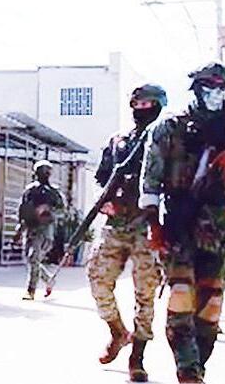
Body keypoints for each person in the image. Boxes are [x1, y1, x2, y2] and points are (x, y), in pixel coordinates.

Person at [140, 62, 225, 384]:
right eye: (208, 84)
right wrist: (154, 227)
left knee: (212, 302)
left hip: (217, 227)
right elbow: (150, 183)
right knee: (180, 294)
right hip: (178, 221)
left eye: (221, 85)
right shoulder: (169, 127)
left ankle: (198, 365)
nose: (215, 91)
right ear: (196, 87)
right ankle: (187, 370)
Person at [87, 84, 167, 382]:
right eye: (138, 104)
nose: (142, 109)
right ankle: (117, 332)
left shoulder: (167, 139)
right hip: (116, 222)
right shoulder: (118, 141)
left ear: (159, 106)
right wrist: (104, 201)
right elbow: (101, 177)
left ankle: (138, 356)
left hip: (149, 224)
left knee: (145, 292)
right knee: (98, 278)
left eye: (148, 104)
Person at [19, 160, 64, 301]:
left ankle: (30, 290)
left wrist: (47, 210)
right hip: (30, 228)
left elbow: (62, 211)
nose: (43, 174)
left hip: (45, 231)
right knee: (32, 260)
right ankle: (48, 279)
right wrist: (20, 227)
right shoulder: (30, 190)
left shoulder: (53, 193)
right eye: (41, 171)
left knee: (34, 258)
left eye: (46, 171)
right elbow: (22, 209)